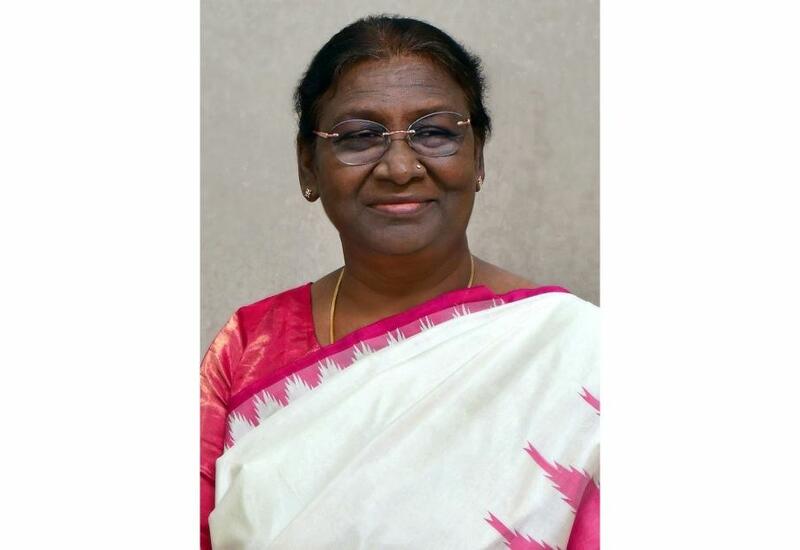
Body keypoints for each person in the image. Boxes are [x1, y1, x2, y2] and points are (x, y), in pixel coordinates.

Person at [201, 15, 599, 550]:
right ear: (308, 166)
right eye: (359, 136)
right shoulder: (247, 349)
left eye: (434, 132)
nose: (401, 167)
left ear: (478, 156)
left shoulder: (575, 352)